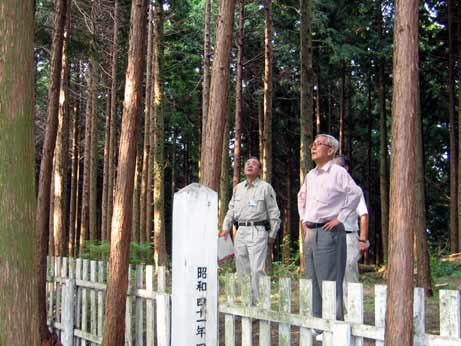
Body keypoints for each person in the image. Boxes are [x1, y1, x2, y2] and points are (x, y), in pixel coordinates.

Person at [297, 134, 362, 321]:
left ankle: (333, 322)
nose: (314, 147)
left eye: (319, 144)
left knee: (329, 280)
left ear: (331, 150)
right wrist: (303, 219)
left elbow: (355, 193)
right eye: (313, 144)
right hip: (311, 232)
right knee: (313, 278)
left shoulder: (338, 172)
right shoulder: (310, 175)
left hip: (329, 232)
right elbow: (301, 197)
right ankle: (318, 322)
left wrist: (340, 218)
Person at [221, 157, 281, 302]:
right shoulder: (238, 188)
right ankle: (248, 303)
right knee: (242, 270)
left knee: (257, 269)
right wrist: (225, 227)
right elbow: (231, 210)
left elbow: (274, 212)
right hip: (240, 231)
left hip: (258, 230)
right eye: (247, 163)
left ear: (259, 170)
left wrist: (272, 234)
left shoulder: (265, 188)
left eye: (254, 164)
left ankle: (263, 304)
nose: (249, 165)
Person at [333, 156, 369, 298]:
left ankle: (353, 312)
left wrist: (362, 240)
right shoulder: (330, 190)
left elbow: (364, 215)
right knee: (333, 274)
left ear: (346, 169)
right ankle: (337, 312)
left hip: (348, 237)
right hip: (331, 237)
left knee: (349, 272)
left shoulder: (354, 190)